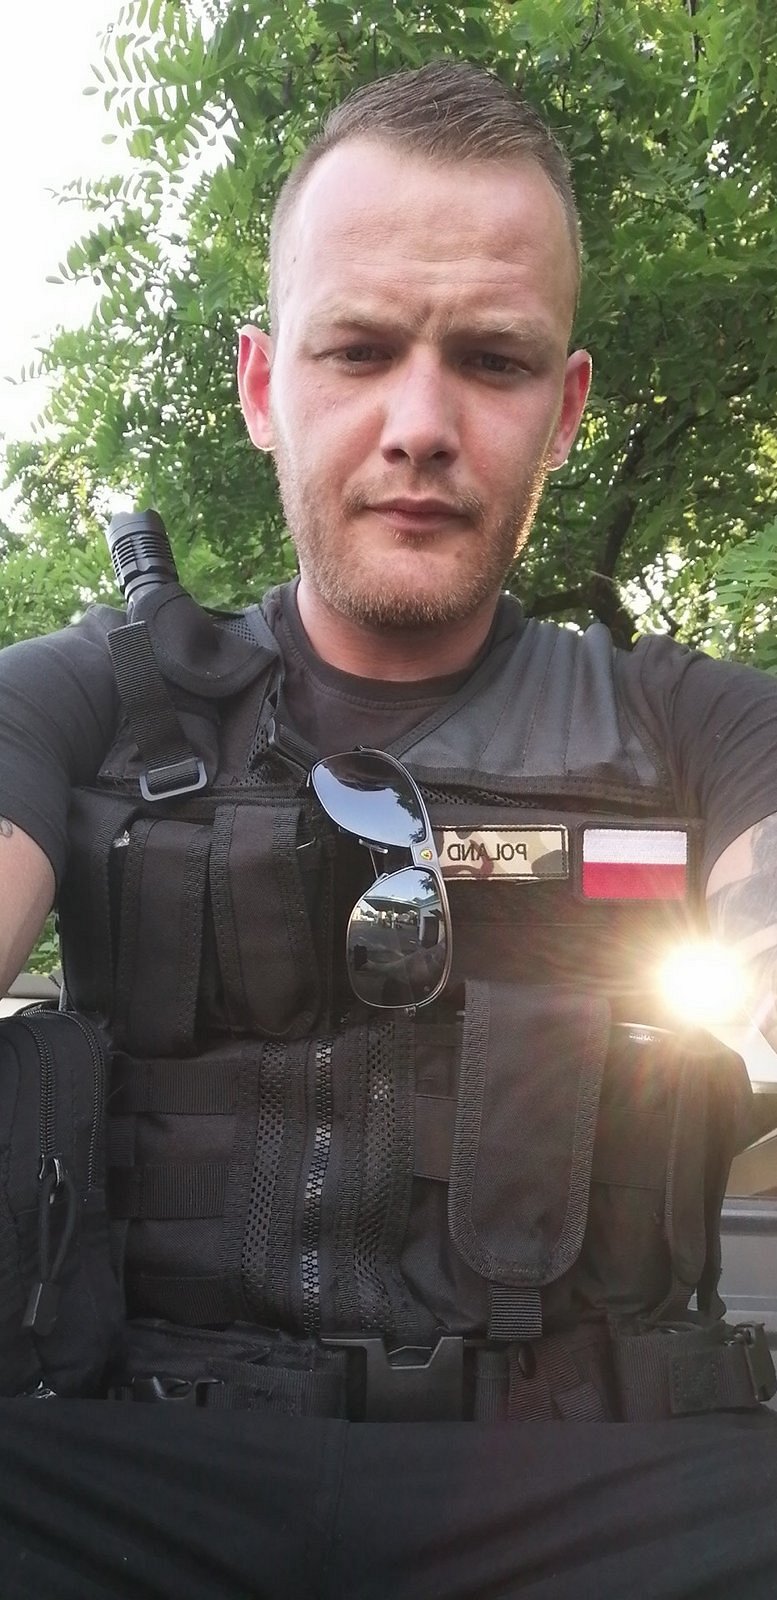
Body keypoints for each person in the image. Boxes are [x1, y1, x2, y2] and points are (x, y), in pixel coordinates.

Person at [1, 57, 777, 1600]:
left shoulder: (700, 729)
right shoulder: (73, 698)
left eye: (489, 360)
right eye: (357, 349)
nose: (419, 424)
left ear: (563, 409)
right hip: (122, 1469)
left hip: (596, 1485)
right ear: (261, 385)